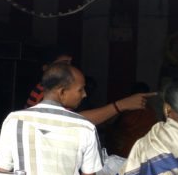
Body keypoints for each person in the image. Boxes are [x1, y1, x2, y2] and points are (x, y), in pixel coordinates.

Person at [24, 53, 154, 126]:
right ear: (46, 68)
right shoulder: (42, 92)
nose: (69, 68)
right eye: (63, 64)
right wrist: (120, 105)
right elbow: (72, 120)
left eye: (70, 63)